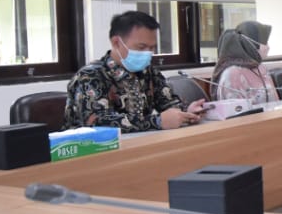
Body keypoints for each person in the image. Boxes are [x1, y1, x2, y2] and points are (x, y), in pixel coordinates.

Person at [64, 11, 202, 133]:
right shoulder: (90, 76)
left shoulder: (148, 72)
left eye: (152, 48)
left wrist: (186, 111)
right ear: (116, 43)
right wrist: (157, 122)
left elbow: (167, 103)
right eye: (141, 47)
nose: (147, 53)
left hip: (138, 143)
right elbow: (96, 121)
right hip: (88, 149)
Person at [210, 20, 278, 104]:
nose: (268, 46)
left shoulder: (261, 68)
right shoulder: (233, 73)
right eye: (265, 42)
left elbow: (276, 103)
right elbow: (237, 110)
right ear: (251, 44)